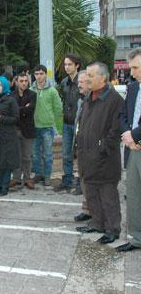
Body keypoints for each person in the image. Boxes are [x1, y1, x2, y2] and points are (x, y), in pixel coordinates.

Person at [76, 62, 124, 245]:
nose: (87, 79)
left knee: (108, 196)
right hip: (87, 157)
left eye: (90, 75)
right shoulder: (89, 98)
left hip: (104, 159)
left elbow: (116, 131)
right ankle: (97, 223)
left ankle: (112, 229)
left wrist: (101, 148)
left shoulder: (114, 100)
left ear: (103, 78)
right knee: (92, 194)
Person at [116, 48, 141, 252]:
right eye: (131, 67)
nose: (132, 72)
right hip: (133, 149)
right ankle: (136, 238)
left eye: (136, 67)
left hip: (136, 141)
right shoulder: (132, 88)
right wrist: (127, 134)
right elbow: (123, 114)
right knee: (133, 194)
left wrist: (135, 135)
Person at [30, 65, 63, 186]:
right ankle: (38, 174)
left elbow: (58, 108)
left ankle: (48, 176)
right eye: (36, 74)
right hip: (34, 126)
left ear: (45, 74)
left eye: (41, 73)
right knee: (35, 153)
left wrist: (51, 119)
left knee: (48, 154)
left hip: (47, 127)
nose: (39, 76)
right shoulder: (31, 90)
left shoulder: (52, 90)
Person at [54, 53, 81, 193]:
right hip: (66, 122)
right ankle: (67, 180)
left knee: (81, 154)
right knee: (66, 153)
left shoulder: (82, 81)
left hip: (79, 123)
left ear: (77, 65)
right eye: (65, 64)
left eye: (70, 64)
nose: (67, 67)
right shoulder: (64, 82)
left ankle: (81, 183)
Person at [10, 73, 36, 190]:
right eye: (21, 81)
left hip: (28, 130)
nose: (24, 83)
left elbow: (30, 110)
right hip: (15, 129)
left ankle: (27, 178)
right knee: (16, 155)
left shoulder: (33, 95)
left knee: (27, 156)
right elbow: (13, 112)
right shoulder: (11, 96)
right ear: (17, 82)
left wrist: (20, 110)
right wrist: (23, 108)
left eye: (26, 81)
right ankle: (16, 178)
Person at [73, 70, 92, 223]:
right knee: (84, 179)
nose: (78, 84)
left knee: (92, 180)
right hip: (81, 147)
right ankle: (87, 209)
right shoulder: (82, 100)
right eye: (78, 82)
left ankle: (96, 212)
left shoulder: (97, 101)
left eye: (81, 82)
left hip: (92, 149)